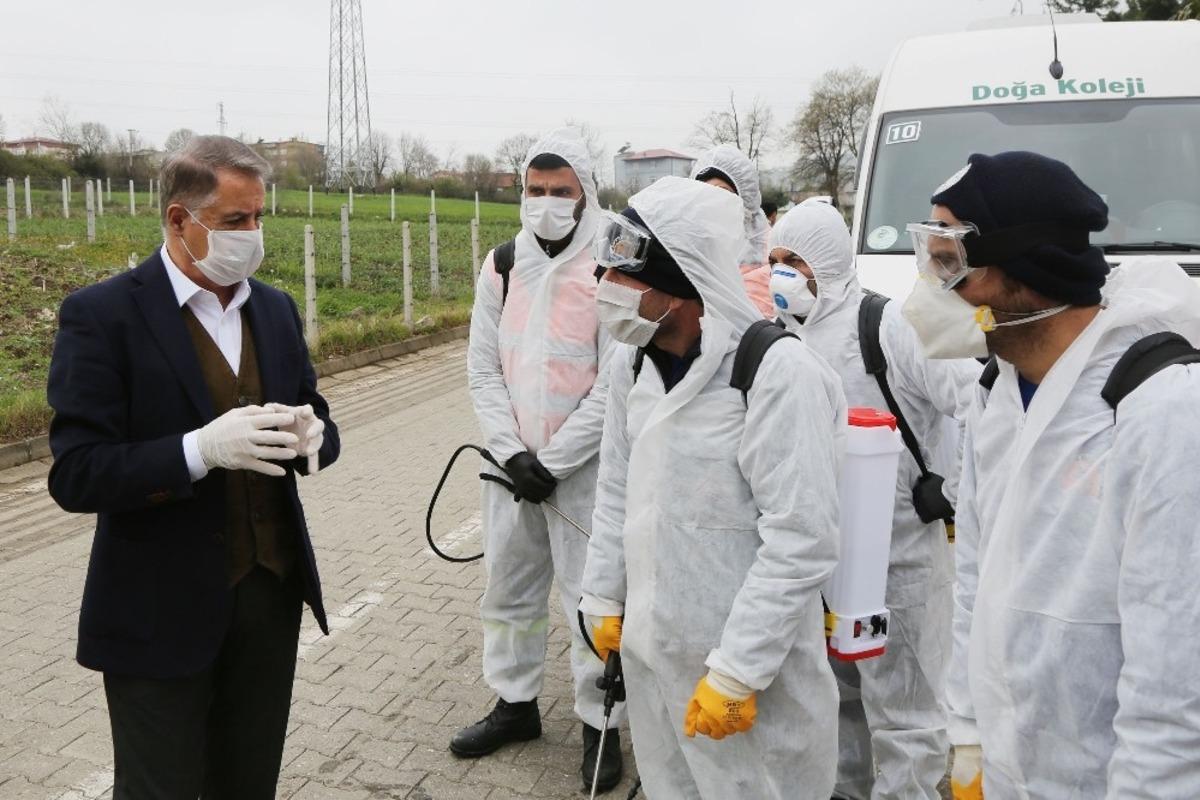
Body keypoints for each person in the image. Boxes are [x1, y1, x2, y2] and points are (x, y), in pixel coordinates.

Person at [45, 135, 339, 799]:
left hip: (268, 595)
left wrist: (313, 437)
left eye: (260, 216)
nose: (253, 234)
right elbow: (77, 473)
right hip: (158, 607)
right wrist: (198, 451)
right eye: (236, 221)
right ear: (180, 220)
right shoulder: (103, 316)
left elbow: (316, 415)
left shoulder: (274, 309)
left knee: (248, 781)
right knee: (161, 788)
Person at [906, 151, 1200, 798]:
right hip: (1015, 767)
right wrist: (971, 735)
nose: (932, 286)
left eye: (950, 261)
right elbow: (977, 576)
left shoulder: (1159, 412)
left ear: (1028, 268)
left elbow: (1177, 693)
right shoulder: (996, 391)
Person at [579, 175, 845, 799]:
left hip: (753, 683)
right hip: (652, 659)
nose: (605, 290)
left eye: (625, 277)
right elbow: (615, 489)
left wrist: (738, 671)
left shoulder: (774, 374)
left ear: (683, 287)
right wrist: (601, 596)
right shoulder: (632, 362)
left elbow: (800, 539)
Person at [767, 201, 979, 800]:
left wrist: (950, 488)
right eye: (774, 260)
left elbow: (982, 405)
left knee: (906, 710)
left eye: (795, 262)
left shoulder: (887, 326)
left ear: (827, 262)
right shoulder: (783, 338)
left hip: (900, 558)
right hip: (822, 561)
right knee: (838, 698)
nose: (781, 274)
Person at [459, 127, 622, 791]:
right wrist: (509, 451)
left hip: (583, 475)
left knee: (593, 601)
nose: (546, 202)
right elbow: (481, 368)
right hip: (510, 473)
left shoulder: (611, 264)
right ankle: (515, 703)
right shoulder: (502, 264)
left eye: (561, 191)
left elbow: (617, 381)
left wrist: (553, 461)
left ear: (585, 194)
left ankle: (599, 725)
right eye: (535, 190)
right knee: (509, 590)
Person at [691, 144, 775, 317]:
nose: (712, 202)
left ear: (744, 199)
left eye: (722, 193)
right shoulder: (696, 241)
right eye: (704, 192)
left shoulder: (768, 250)